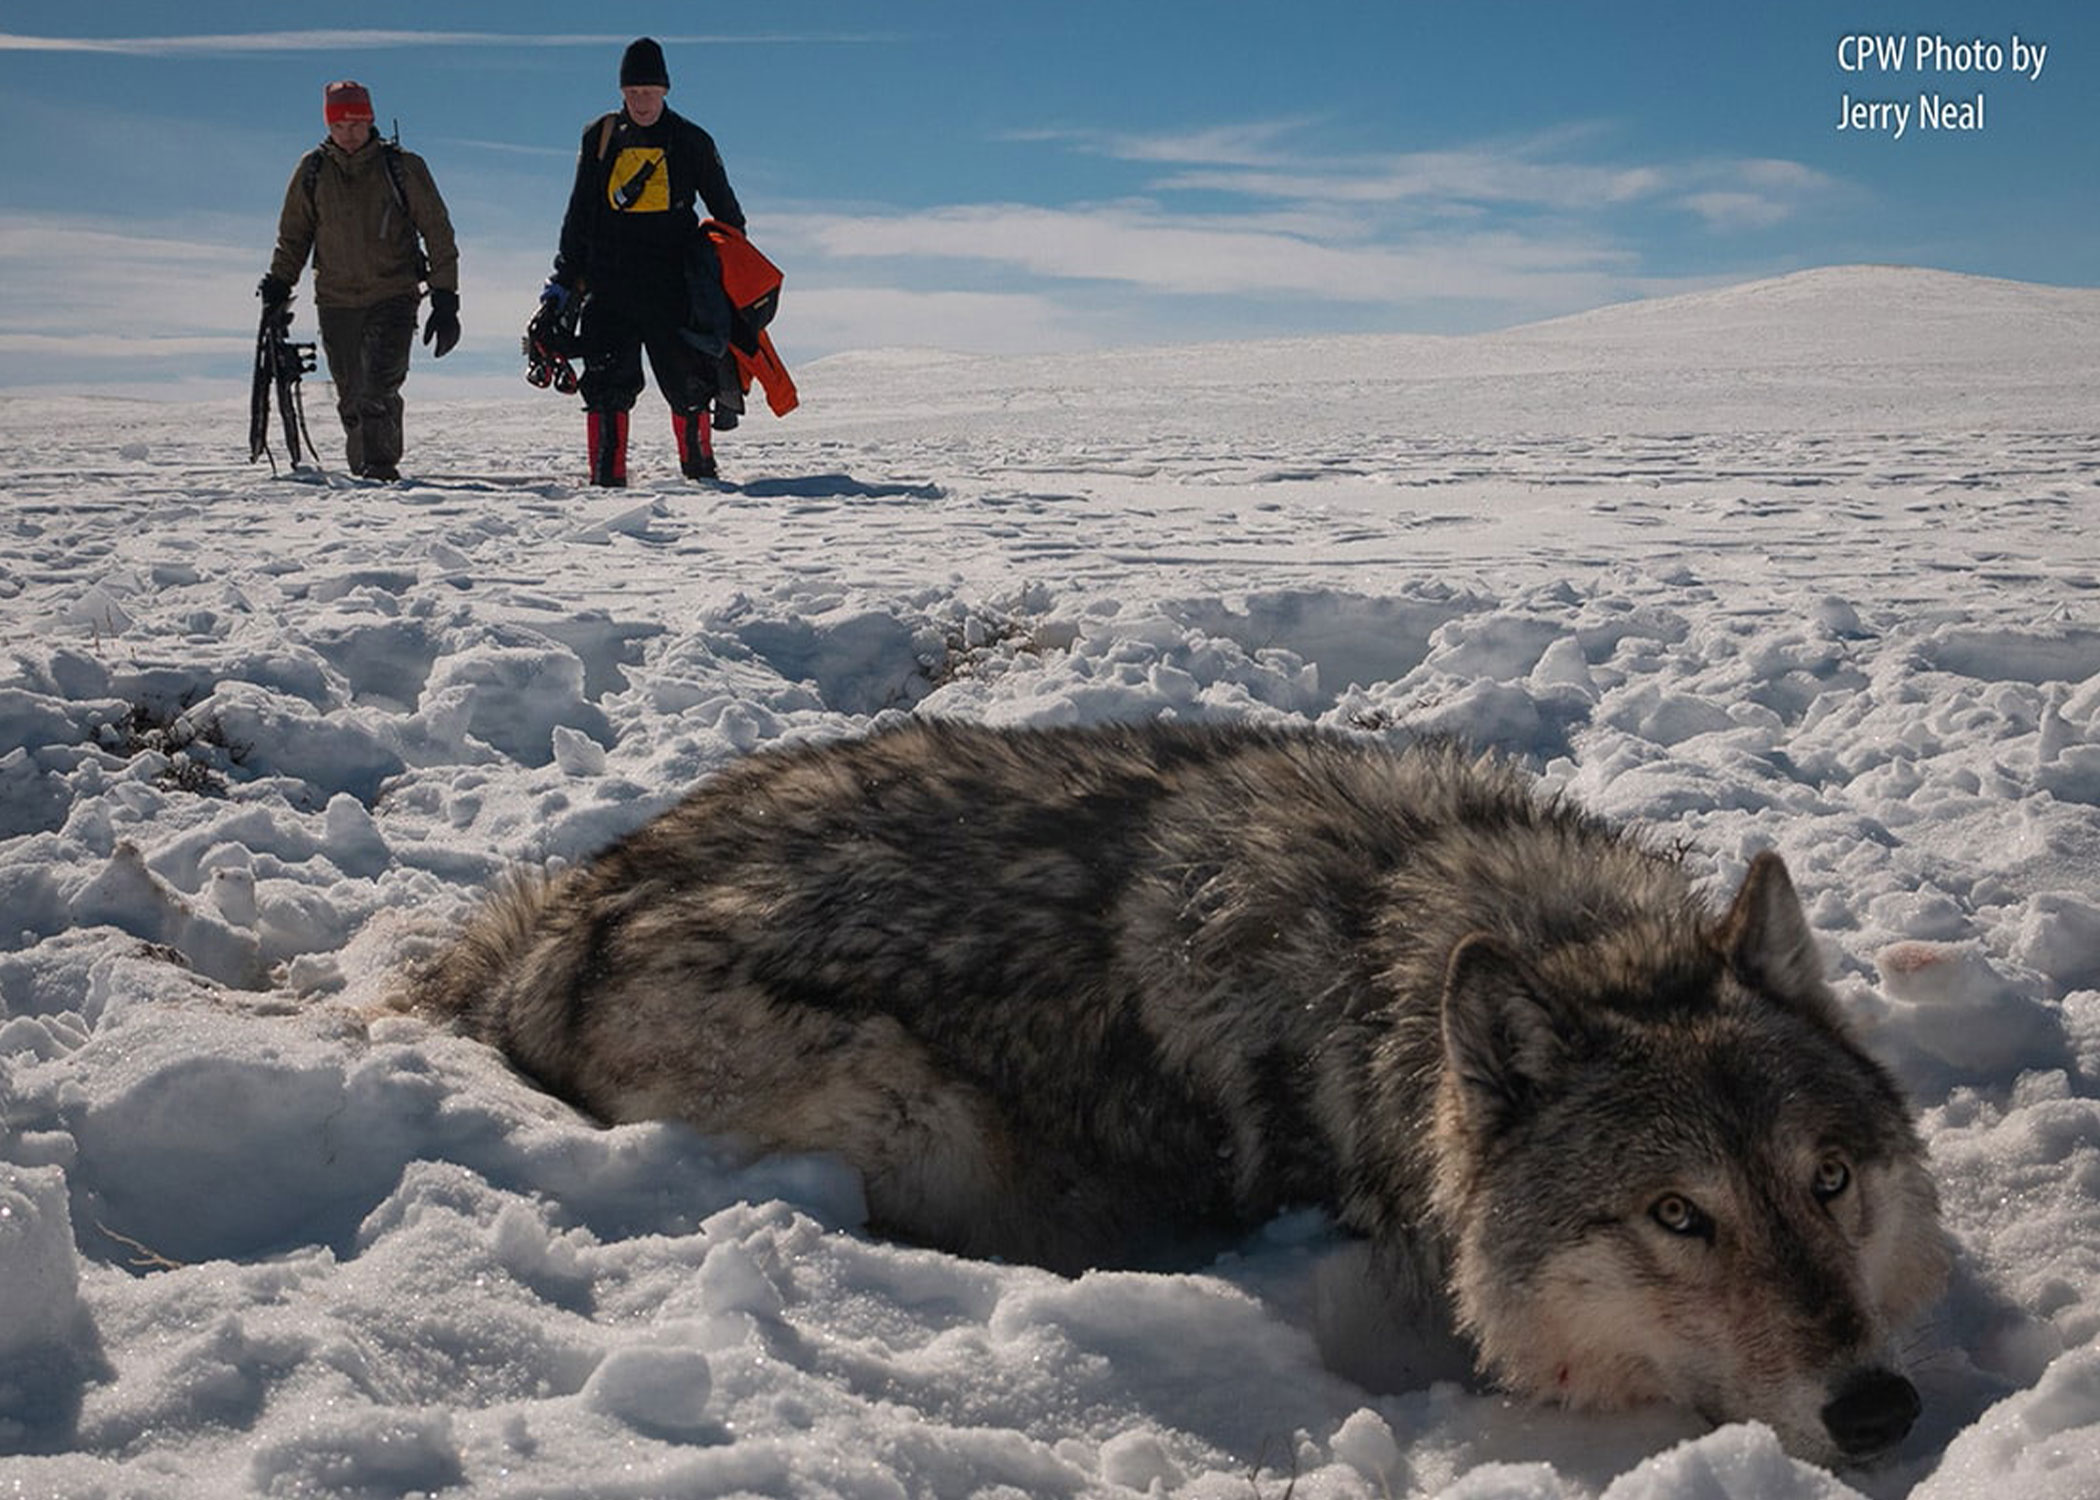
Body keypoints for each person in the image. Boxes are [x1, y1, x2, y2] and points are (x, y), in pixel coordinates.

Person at [543, 37, 746, 485]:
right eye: (633, 93)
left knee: (688, 386)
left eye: (649, 92)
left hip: (672, 286)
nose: (641, 102)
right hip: (608, 284)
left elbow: (729, 218)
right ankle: (606, 482)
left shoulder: (692, 141)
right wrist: (563, 279)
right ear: (621, 92)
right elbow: (580, 212)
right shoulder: (599, 138)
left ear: (666, 91)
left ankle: (702, 479)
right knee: (605, 388)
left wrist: (716, 277)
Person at [259, 80, 460, 481]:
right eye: (339, 126)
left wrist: (445, 297)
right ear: (328, 126)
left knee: (375, 391)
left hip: (394, 294)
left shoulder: (403, 168)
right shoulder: (312, 172)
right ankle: (367, 476)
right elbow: (294, 236)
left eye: (356, 123)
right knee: (351, 399)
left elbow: (437, 231)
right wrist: (279, 286)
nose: (349, 134)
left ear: (370, 120)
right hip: (335, 301)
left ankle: (379, 472)